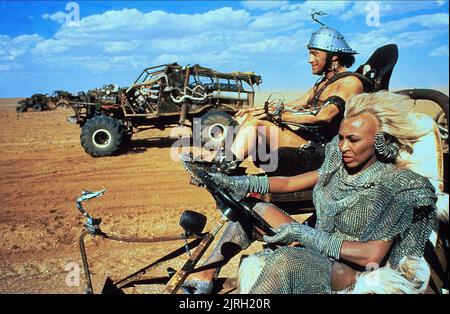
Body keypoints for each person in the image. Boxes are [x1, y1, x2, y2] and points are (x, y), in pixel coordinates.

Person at [182, 91, 437, 294]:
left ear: (380, 141)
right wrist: (244, 183)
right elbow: (294, 183)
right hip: (319, 245)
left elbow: (373, 254)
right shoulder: (341, 162)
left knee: (286, 261)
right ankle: (201, 279)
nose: (344, 146)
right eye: (341, 138)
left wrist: (301, 233)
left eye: (354, 140)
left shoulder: (397, 186)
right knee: (253, 209)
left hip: (353, 271)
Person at [215, 19, 364, 175]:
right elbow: (292, 105)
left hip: (323, 150)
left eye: (315, 54)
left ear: (333, 57)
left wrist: (277, 115)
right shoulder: (323, 84)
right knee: (245, 119)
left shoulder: (350, 82)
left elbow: (325, 115)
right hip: (308, 140)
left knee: (257, 125)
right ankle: (219, 161)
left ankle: (223, 171)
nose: (309, 59)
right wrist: (258, 110)